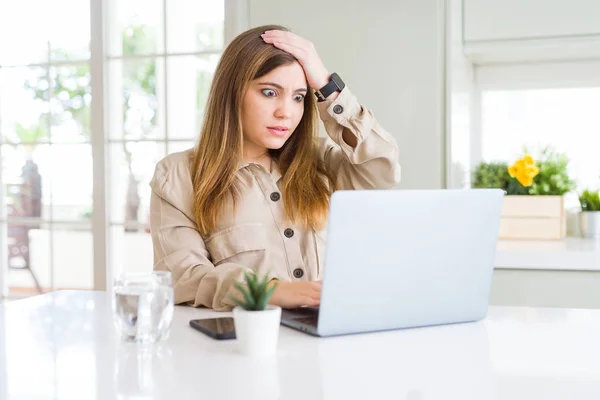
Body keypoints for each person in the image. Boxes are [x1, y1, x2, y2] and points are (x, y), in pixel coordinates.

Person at [149, 25, 401, 311]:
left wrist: (328, 88)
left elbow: (382, 170)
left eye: (298, 97)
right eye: (269, 92)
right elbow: (184, 277)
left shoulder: (321, 161)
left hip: (328, 339)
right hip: (240, 345)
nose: (286, 112)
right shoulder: (178, 176)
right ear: (232, 93)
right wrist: (271, 292)